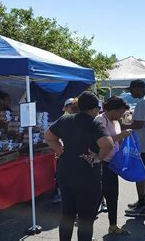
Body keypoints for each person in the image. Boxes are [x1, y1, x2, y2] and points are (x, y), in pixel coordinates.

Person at [44, 91, 114, 241]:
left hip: (66, 172)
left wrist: (61, 150)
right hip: (87, 174)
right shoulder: (93, 123)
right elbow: (108, 144)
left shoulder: (65, 120)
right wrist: (97, 158)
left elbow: (48, 137)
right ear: (94, 109)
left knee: (67, 214)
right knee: (86, 218)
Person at [95, 96, 132, 235]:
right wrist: (120, 136)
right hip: (102, 162)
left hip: (113, 162)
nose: (121, 115)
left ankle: (113, 225)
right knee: (98, 196)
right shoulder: (100, 120)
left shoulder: (115, 121)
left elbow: (115, 141)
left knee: (113, 195)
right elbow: (101, 142)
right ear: (113, 110)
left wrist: (121, 142)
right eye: (120, 112)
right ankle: (86, 228)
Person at [122, 80, 145, 217]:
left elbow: (139, 124)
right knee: (144, 172)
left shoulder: (143, 102)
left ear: (140, 88)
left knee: (139, 173)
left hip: (142, 143)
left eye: (132, 89)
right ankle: (142, 201)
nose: (130, 92)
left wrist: (122, 125)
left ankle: (142, 205)